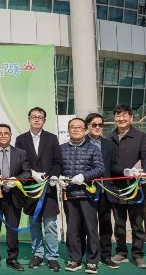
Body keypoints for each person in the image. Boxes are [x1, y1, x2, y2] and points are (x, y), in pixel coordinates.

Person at [15, 106, 62, 272]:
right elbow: (19, 162)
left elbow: (57, 161)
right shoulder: (21, 139)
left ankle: (52, 256)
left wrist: (54, 175)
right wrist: (32, 173)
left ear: (44, 120)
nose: (36, 119)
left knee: (50, 224)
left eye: (40, 117)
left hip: (49, 188)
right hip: (31, 188)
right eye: (33, 116)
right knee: (34, 223)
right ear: (28, 119)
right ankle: (37, 254)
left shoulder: (52, 138)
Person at [108, 103, 146, 268]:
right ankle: (121, 251)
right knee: (119, 223)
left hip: (135, 187)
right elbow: (108, 162)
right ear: (114, 118)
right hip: (115, 188)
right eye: (118, 115)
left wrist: (144, 173)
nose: (121, 118)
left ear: (131, 118)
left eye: (125, 115)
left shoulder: (140, 136)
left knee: (137, 223)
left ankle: (137, 254)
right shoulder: (109, 137)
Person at [59, 117, 104, 274]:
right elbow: (57, 167)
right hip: (69, 194)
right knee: (72, 229)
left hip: (87, 195)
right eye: (73, 127)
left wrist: (84, 176)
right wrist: (59, 177)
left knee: (91, 229)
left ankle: (92, 260)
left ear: (85, 130)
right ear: (68, 130)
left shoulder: (93, 149)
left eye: (79, 127)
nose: (76, 129)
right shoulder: (61, 149)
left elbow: (100, 168)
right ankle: (74, 259)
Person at [0, 123, 30, 272]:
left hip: (14, 197)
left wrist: (16, 180)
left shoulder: (21, 153)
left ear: (11, 135)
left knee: (12, 230)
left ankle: (12, 259)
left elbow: (27, 172)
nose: (3, 136)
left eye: (6, 133)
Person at [85, 113, 121, 268]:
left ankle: (106, 255)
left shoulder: (109, 144)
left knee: (106, 225)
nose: (97, 127)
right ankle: (92, 256)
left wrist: (128, 171)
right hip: (87, 190)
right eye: (94, 124)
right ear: (87, 126)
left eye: (100, 125)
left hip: (106, 191)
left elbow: (114, 166)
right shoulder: (82, 142)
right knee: (89, 226)